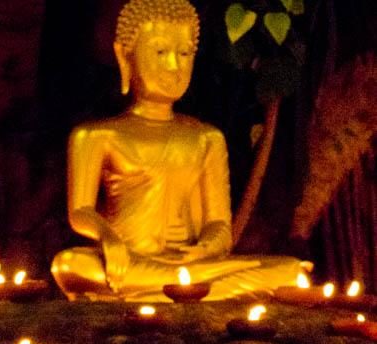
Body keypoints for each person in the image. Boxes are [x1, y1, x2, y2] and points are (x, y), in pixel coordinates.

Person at [51, 0, 303, 302]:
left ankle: (162, 290)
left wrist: (206, 247)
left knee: (289, 270)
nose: (174, 66)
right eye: (160, 52)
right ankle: (187, 290)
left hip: (192, 265)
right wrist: (109, 238)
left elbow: (219, 225)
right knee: (70, 265)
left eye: (183, 53)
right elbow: (80, 212)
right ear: (124, 55)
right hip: (129, 262)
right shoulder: (96, 135)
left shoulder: (206, 137)